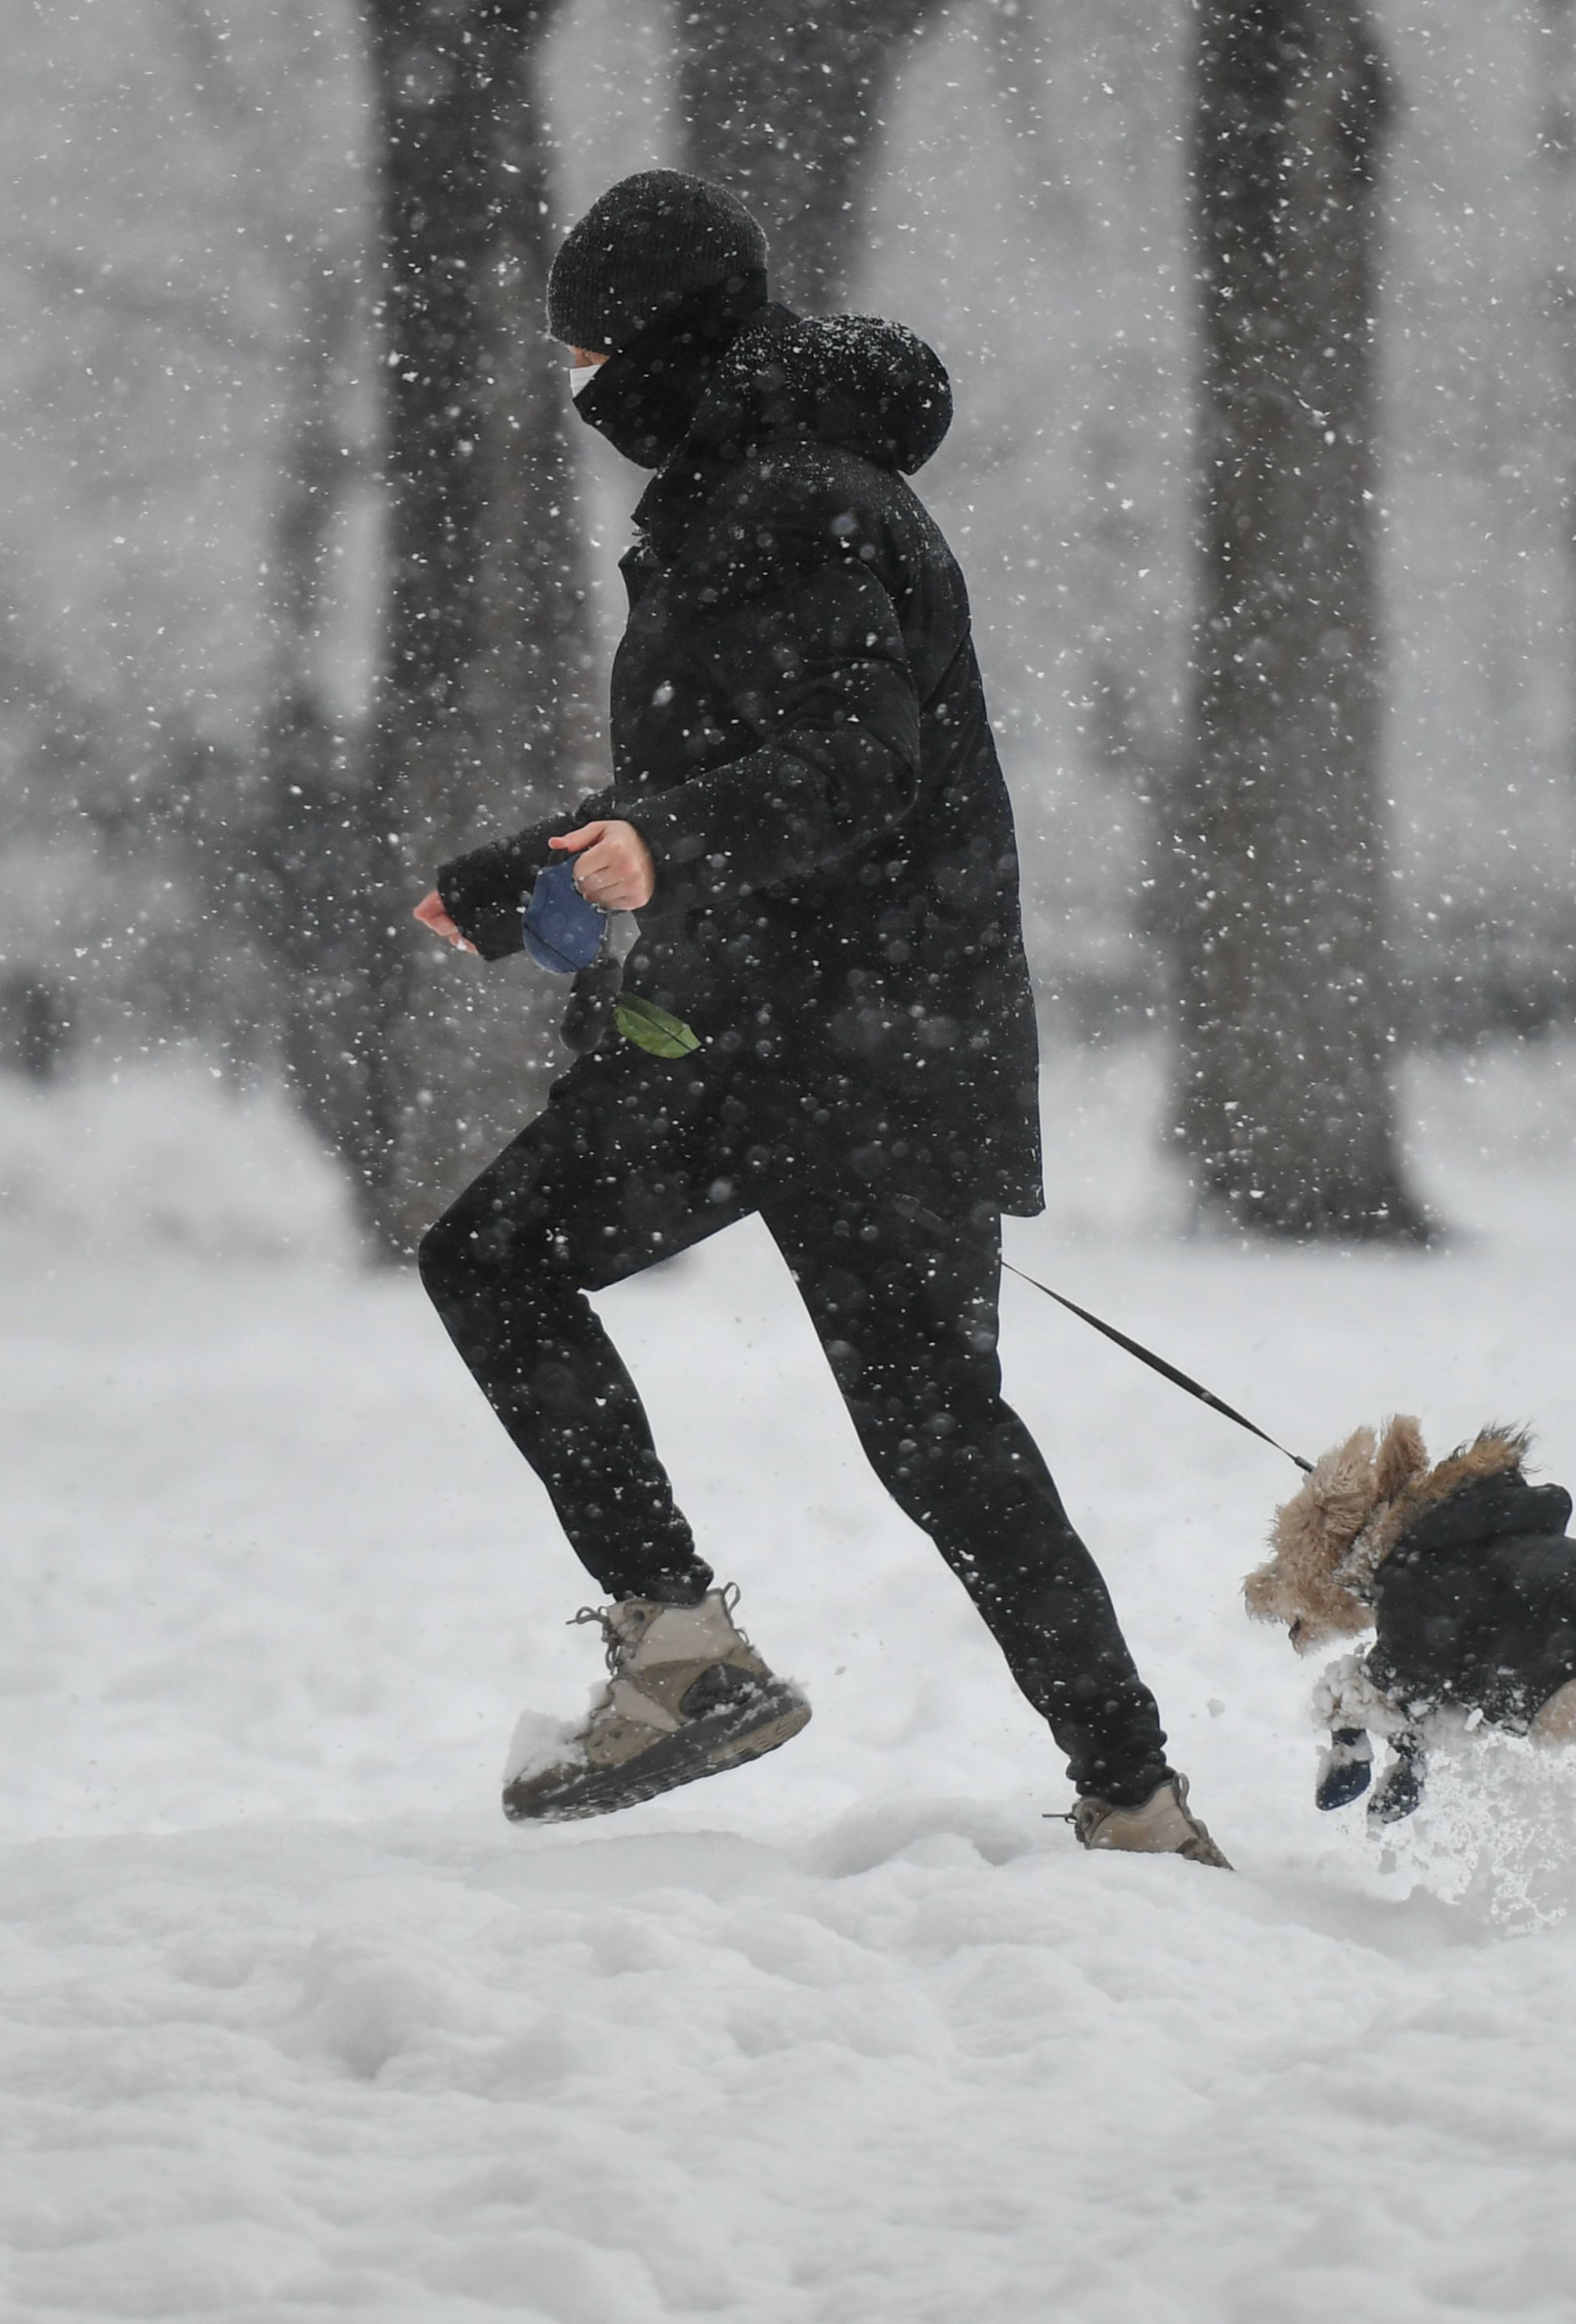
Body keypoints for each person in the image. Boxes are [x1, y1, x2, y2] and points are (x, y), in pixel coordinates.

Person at [413, 171, 1224, 1864]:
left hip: (853, 1052)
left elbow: (859, 763)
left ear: (666, 338)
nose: (584, 391)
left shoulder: (799, 503)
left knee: (921, 1430)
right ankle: (1122, 1793)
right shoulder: (738, 498)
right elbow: (715, 774)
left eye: (594, 353)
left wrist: (671, 839)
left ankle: (707, 1659)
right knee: (934, 1433)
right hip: (790, 1040)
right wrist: (530, 871)